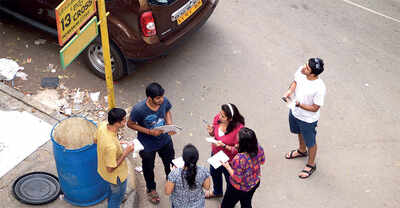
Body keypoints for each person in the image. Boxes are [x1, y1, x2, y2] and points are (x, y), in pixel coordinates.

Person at [127, 82, 176, 204]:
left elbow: (167, 110)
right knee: (148, 167)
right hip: (147, 144)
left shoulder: (163, 101)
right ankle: (151, 189)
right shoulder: (138, 109)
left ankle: (171, 181)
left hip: (165, 140)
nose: (161, 100)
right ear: (150, 98)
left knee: (170, 163)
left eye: (162, 97)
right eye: (158, 98)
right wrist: (149, 132)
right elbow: (130, 124)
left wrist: (169, 125)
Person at [283, 58, 326, 179]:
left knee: (311, 142)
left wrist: (300, 105)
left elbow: (315, 108)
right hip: (294, 112)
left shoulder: (319, 88)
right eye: (306, 65)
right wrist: (289, 91)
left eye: (307, 68)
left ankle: (311, 164)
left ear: (313, 74)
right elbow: (295, 81)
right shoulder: (302, 72)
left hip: (307, 119)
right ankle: (302, 150)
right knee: (298, 132)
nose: (303, 68)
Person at [95, 108, 134, 208]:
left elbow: (95, 140)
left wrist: (118, 142)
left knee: (111, 191)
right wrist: (125, 153)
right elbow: (110, 168)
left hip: (103, 171)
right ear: (117, 123)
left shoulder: (103, 125)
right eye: (124, 120)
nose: (125, 122)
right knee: (116, 199)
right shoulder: (111, 147)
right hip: (116, 177)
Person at [205, 103, 245, 199]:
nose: (219, 117)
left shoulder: (239, 130)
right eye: (220, 113)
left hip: (229, 160)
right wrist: (210, 132)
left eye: (223, 116)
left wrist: (224, 146)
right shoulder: (217, 119)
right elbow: (213, 134)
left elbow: (238, 149)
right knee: (214, 173)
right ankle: (217, 191)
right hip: (215, 154)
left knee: (230, 181)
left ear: (230, 119)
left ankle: (228, 201)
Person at [220, 127, 265, 208]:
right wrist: (224, 146)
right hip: (254, 183)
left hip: (238, 188)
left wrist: (227, 166)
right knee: (246, 203)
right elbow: (262, 161)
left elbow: (237, 178)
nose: (236, 143)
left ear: (243, 144)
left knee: (227, 204)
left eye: (238, 141)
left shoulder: (240, 159)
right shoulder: (258, 147)